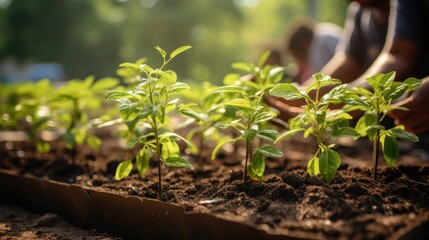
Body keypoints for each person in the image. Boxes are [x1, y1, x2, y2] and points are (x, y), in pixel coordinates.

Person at [265, 0, 391, 120]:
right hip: (363, 100)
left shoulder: (318, 43)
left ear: (303, 44)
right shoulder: (357, 13)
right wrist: (298, 93)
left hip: (381, 106)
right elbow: (345, 65)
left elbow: (326, 80)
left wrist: (297, 99)